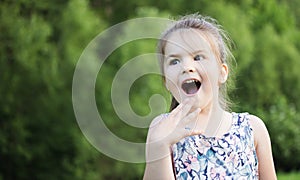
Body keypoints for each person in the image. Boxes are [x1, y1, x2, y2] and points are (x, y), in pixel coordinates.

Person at [143, 13, 277, 180]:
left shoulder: (252, 129)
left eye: (198, 57)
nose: (186, 67)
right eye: (175, 61)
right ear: (166, 82)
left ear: (222, 73)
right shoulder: (161, 129)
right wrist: (160, 147)